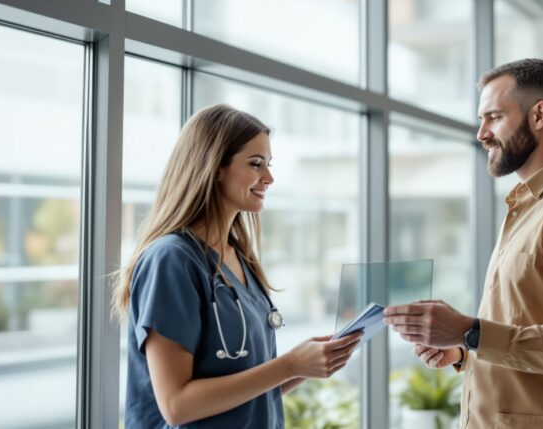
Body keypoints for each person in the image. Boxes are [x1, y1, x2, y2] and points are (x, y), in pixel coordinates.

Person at [383, 58, 543, 428]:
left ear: (539, 115)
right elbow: (525, 325)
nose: (481, 133)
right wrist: (463, 350)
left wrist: (470, 331)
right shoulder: (526, 206)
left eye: (494, 117)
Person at [112, 104, 362, 428]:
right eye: (256, 164)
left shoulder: (239, 258)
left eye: (268, 164)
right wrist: (289, 364)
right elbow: (176, 406)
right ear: (215, 167)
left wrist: (304, 365)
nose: (269, 178)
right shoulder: (172, 260)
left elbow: (248, 393)